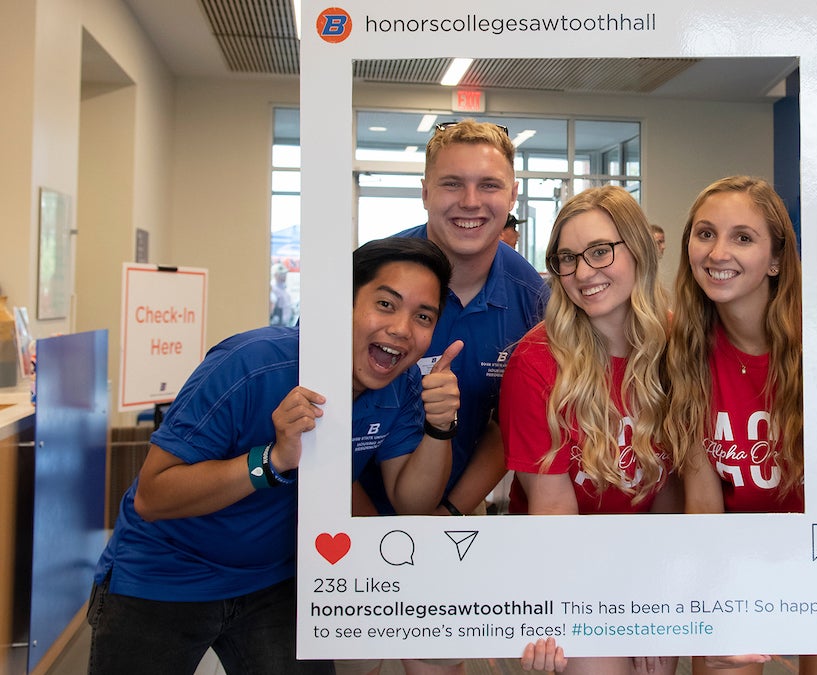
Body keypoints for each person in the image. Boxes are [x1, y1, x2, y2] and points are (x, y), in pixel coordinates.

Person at [87, 238, 461, 675]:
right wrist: (272, 461)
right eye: (385, 303)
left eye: (423, 317)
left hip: (278, 582)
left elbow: (411, 503)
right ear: (342, 304)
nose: (401, 328)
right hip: (166, 574)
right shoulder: (251, 363)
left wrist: (440, 427)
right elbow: (153, 496)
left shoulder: (401, 387)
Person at [663, 176, 817, 675]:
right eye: (705, 233)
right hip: (737, 549)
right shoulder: (683, 347)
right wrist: (711, 600)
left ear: (776, 259)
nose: (718, 252)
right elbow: (704, 499)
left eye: (743, 238)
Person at [349, 120, 546, 675]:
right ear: (425, 191)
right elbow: (320, 414)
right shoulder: (373, 275)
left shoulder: (532, 298)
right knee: (354, 663)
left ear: (511, 196)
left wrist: (450, 515)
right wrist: (376, 536)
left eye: (489, 185)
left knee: (438, 662)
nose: (470, 202)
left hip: (456, 504)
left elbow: (510, 428)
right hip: (349, 504)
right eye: (451, 184)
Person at [502, 185, 680, 674]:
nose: (583, 273)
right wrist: (553, 610)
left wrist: (655, 606)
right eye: (568, 258)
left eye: (601, 251)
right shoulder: (536, 362)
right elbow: (553, 507)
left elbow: (670, 490)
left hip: (643, 556)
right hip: (564, 556)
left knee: (655, 664)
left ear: (639, 250)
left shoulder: (676, 349)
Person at [270, 261, 296, 326]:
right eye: (282, 274)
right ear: (275, 275)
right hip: (278, 325)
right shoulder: (273, 289)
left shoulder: (284, 288)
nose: (284, 276)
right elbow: (271, 309)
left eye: (285, 274)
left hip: (287, 324)